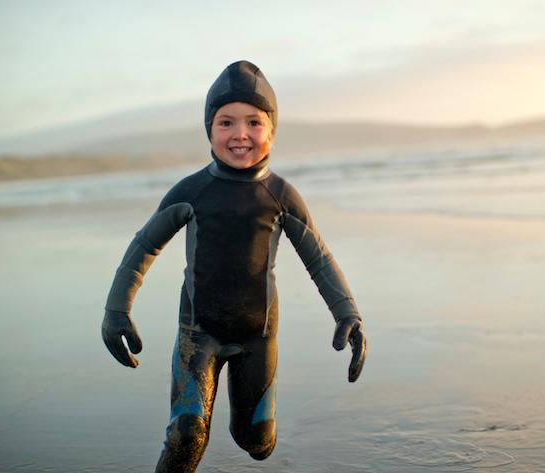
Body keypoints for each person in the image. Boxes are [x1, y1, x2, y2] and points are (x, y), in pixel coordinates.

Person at [101, 60, 367, 473]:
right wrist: (116, 310)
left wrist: (347, 312)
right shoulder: (191, 192)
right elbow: (143, 247)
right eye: (225, 122)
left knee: (256, 442)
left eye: (253, 123)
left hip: (257, 337)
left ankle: (253, 431)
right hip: (197, 333)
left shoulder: (280, 196)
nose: (239, 134)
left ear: (272, 131)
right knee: (187, 435)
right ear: (209, 129)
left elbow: (319, 258)